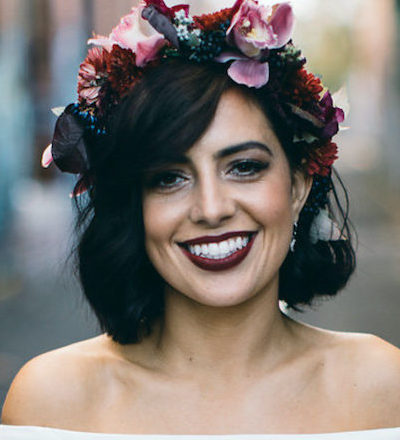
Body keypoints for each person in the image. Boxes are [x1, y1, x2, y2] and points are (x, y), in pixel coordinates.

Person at [1, 0, 400, 438]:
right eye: (169, 178)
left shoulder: (383, 389)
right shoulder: (52, 403)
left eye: (245, 166)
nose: (211, 209)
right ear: (135, 204)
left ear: (299, 187)